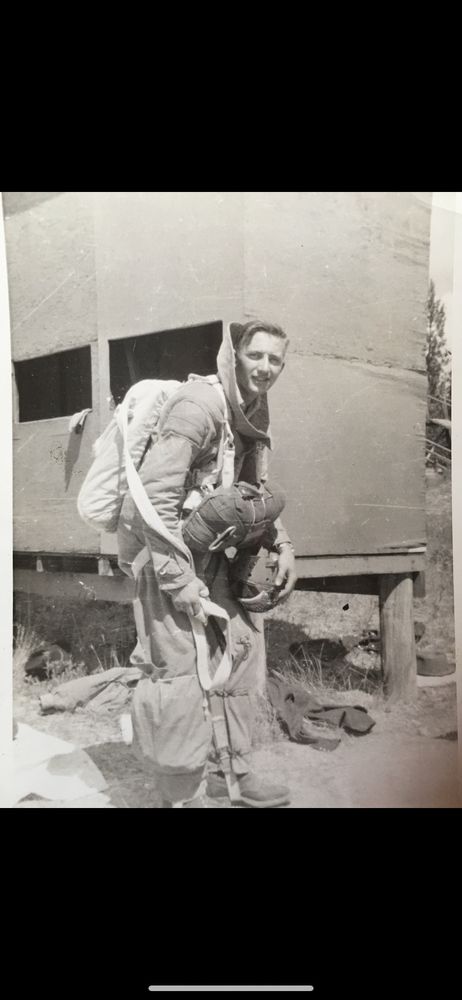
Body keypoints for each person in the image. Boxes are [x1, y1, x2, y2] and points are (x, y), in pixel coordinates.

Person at [117, 320, 297, 807]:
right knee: (177, 673)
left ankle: (233, 775)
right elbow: (153, 500)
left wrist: (284, 546)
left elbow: (252, 487)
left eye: (275, 359)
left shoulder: (254, 410)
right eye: (256, 355)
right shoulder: (197, 406)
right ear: (236, 353)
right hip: (163, 555)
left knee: (240, 653)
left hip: (214, 551)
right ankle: (183, 793)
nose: (265, 367)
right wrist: (180, 582)